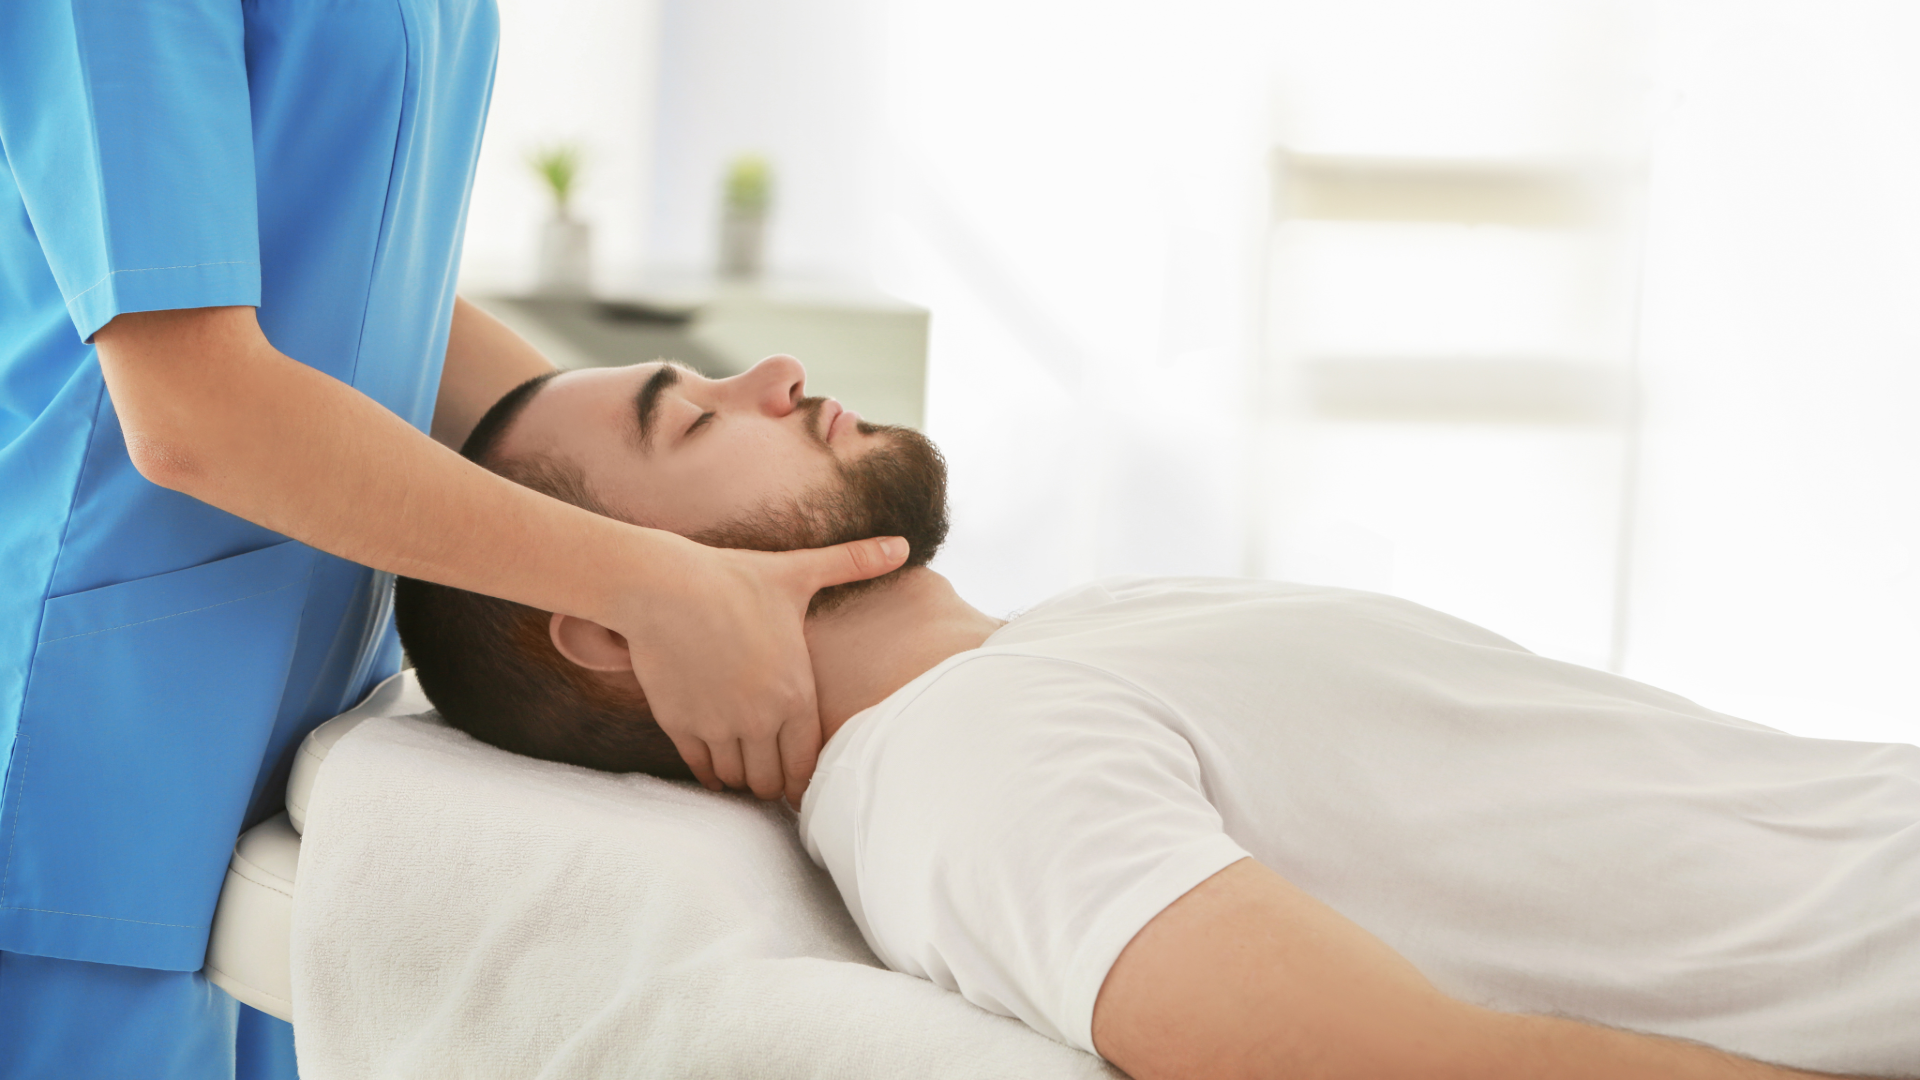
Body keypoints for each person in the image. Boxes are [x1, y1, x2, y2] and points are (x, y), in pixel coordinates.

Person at [394, 355, 1920, 1080]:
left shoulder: (1047, 658)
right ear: (612, 628)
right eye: (689, 413)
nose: (772, 371)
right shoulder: (962, 773)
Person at [0, 5, 902, 1077]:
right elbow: (194, 407)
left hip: (281, 712)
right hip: (85, 734)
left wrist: (656, 507)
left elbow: (363, 277)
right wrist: (649, 580)